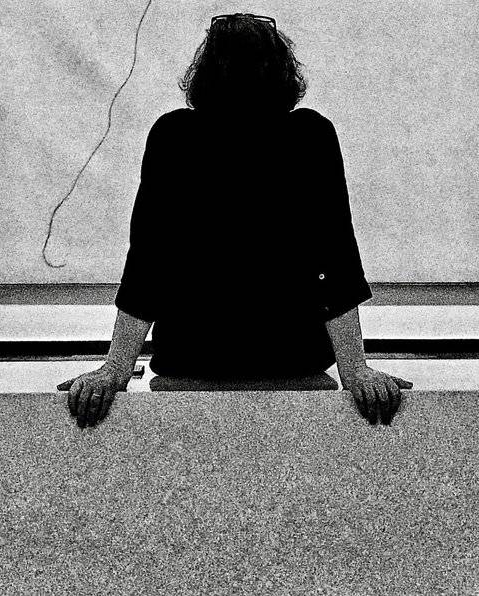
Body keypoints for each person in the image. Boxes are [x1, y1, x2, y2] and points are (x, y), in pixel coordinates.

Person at [61, 13, 410, 427]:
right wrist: (354, 370)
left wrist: (115, 369)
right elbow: (333, 260)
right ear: (281, 69)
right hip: (290, 359)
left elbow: (148, 263)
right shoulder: (309, 135)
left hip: (193, 359)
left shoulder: (174, 136)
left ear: (206, 71)